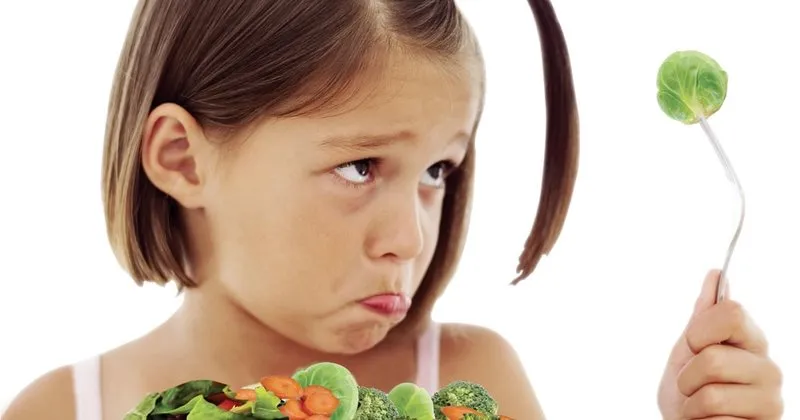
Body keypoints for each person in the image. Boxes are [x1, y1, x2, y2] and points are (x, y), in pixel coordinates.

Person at [3, 0, 784, 419]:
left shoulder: (471, 386)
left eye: (438, 171)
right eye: (358, 167)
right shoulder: (62, 412)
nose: (410, 239)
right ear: (182, 158)